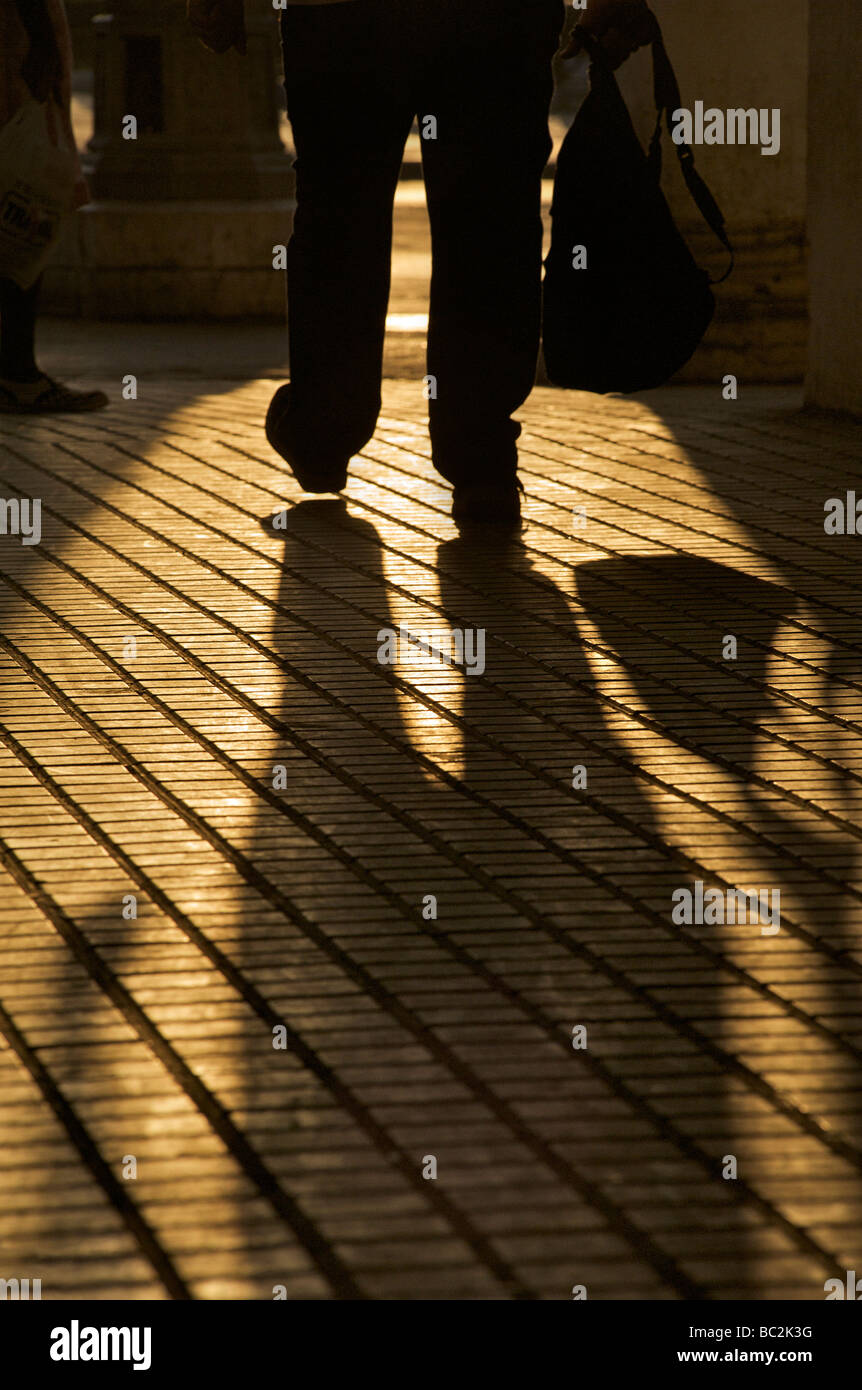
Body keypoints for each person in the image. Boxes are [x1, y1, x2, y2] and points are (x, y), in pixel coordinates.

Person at [188, 0, 654, 526]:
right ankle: (481, 460)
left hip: (342, 19)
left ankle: (325, 424)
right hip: (494, 20)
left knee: (340, 215)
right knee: (489, 223)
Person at [0, 0, 108, 414]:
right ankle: (18, 373)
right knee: (26, 212)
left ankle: (16, 369)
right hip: (18, 56)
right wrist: (41, 43)